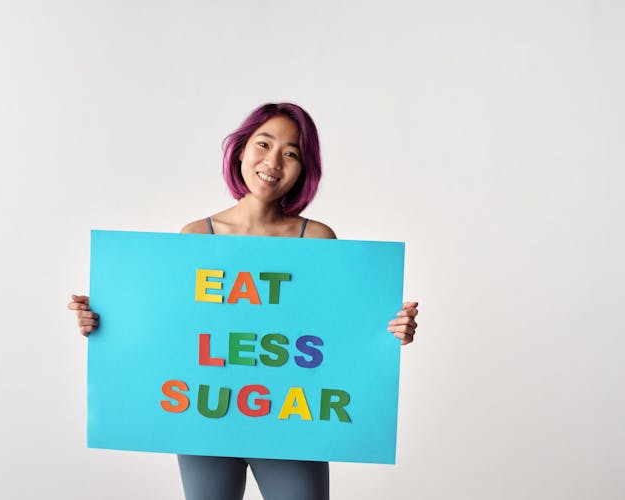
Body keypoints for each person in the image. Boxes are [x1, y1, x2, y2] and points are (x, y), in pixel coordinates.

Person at [68, 102, 419, 500]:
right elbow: (171, 328)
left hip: (292, 416)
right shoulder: (198, 236)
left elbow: (335, 332)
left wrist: (388, 330)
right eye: (263, 144)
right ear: (240, 150)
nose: (274, 161)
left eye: (291, 154)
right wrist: (104, 322)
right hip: (206, 412)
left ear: (305, 170)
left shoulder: (317, 239)